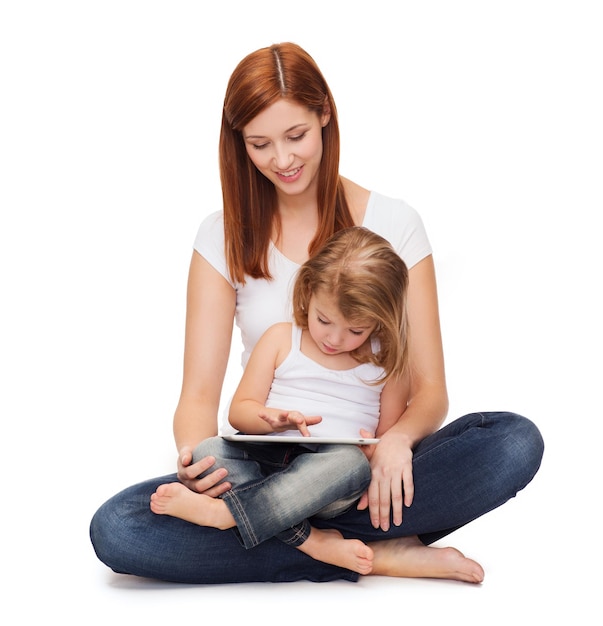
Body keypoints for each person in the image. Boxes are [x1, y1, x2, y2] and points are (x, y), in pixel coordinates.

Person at [90, 42, 544, 585]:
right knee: (119, 527)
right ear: (239, 143)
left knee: (512, 440)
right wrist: (196, 462)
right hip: (260, 468)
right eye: (260, 144)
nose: (282, 160)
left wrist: (396, 442)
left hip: (359, 468)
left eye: (296, 136)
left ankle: (278, 536)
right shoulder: (221, 236)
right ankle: (366, 550)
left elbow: (429, 390)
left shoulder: (394, 224)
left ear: (325, 113)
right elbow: (198, 397)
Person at [149, 226, 420, 576]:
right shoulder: (281, 339)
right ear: (309, 291)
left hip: (325, 480)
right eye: (324, 320)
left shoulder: (388, 366)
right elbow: (240, 410)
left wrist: (372, 451)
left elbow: (384, 441)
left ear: (382, 321)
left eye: (356, 331)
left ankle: (225, 514)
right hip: (265, 461)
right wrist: (270, 418)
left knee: (353, 465)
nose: (335, 339)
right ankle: (313, 542)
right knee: (206, 453)